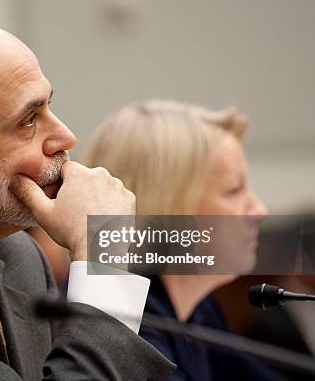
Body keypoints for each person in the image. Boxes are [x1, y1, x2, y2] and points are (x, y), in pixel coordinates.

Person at [0, 22, 175, 381]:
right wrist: (105, 256)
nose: (65, 137)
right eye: (28, 120)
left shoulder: (21, 256)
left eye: (49, 107)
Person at [82, 100, 283, 380]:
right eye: (234, 190)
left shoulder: (198, 308)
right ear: (168, 207)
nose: (259, 210)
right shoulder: (124, 323)